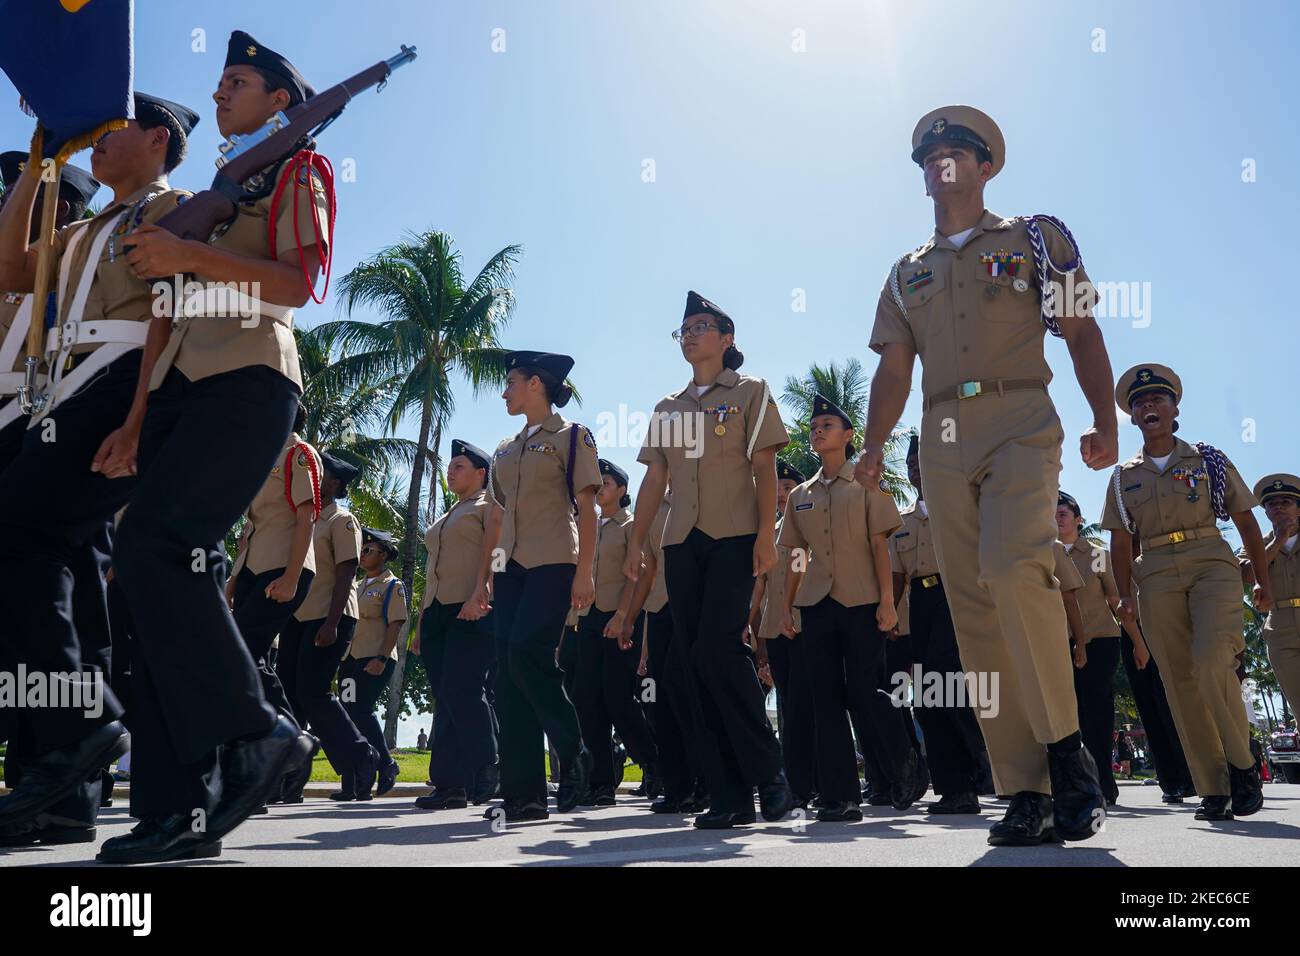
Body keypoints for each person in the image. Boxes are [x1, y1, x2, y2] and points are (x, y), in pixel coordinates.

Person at [98, 33, 331, 863]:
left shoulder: (298, 170)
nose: (221, 91)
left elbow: (298, 283)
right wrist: (132, 419)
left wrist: (189, 253)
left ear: (279, 100)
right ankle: (175, 810)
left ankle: (257, 731)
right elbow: (163, 308)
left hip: (251, 377)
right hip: (175, 391)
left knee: (160, 547)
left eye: (237, 82)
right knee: (141, 585)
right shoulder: (204, 195)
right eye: (220, 80)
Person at [862, 105, 1118, 846]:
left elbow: (1081, 330)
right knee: (972, 610)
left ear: (985, 165)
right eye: (928, 155)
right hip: (939, 433)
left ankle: (1069, 756)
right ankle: (1026, 787)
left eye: (955, 149)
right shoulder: (907, 271)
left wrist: (1105, 419)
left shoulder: (1035, 240)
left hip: (1019, 420)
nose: (940, 161)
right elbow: (894, 366)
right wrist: (875, 448)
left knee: (1014, 569)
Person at [0, 94, 198, 841]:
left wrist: (139, 416)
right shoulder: (83, 230)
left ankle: (84, 729)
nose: (97, 144)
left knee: (18, 529)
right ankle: (69, 747)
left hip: (119, 380)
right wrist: (36, 170)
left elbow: (169, 313)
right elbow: (9, 271)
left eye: (111, 132)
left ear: (158, 139)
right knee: (44, 551)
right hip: (68, 393)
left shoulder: (173, 207)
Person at [626, 291, 793, 829]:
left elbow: (765, 467)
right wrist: (635, 541)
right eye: (685, 329)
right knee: (693, 665)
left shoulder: (751, 392)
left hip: (735, 537)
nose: (691, 334)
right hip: (681, 543)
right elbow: (655, 478)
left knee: (718, 648)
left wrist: (767, 535)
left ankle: (771, 774)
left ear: (726, 340)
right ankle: (729, 795)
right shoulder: (667, 408)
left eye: (702, 326)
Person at [1103, 363, 1271, 821]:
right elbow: (1120, 540)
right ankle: (1213, 786)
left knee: (1213, 658)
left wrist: (1260, 578)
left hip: (1210, 562)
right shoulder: (1122, 477)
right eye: (1139, 403)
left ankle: (1243, 764)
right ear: (1133, 418)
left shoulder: (1208, 460)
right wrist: (1124, 597)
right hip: (1153, 572)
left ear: (1175, 409)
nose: (1148, 405)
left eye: (1158, 398)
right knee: (1180, 683)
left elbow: (1246, 521)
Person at [778, 395, 924, 821]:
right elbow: (795, 556)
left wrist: (887, 602)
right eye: (814, 425)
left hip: (862, 603)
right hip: (817, 604)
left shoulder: (866, 486)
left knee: (864, 690)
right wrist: (787, 606)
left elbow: (880, 546)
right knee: (824, 699)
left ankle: (905, 757)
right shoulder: (799, 496)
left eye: (827, 424)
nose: (818, 430)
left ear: (848, 436)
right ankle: (839, 796)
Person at [473, 350, 600, 822]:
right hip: (511, 570)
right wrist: (486, 578)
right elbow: (499, 516)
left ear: (535, 384)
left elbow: (587, 509)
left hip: (554, 562)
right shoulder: (505, 449)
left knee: (528, 653)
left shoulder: (572, 438)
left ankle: (574, 749)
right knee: (506, 676)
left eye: (511, 382)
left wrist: (586, 571)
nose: (504, 391)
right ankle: (523, 797)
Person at [891, 434, 986, 814]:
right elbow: (898, 575)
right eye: (911, 463)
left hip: (958, 593)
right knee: (929, 700)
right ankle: (955, 789)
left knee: (946, 675)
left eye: (922, 460)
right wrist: (889, 611)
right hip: (921, 602)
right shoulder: (901, 523)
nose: (916, 467)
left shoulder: (963, 506)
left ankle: (985, 755)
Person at [275, 450, 372, 804]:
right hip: (297, 616)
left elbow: (347, 571)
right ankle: (291, 776)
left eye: (322, 472)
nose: (314, 475)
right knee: (290, 695)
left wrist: (332, 623)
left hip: (331, 616)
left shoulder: (341, 520)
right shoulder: (308, 519)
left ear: (334, 483)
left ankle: (360, 757)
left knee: (314, 692)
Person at [224, 403, 321, 740]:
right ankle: (280, 743)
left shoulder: (298, 453)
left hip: (282, 569)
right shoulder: (266, 458)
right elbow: (251, 530)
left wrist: (292, 578)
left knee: (243, 651)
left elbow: (306, 516)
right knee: (252, 657)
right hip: (255, 569)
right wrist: (234, 581)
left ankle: (288, 741)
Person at [413, 439, 498, 811]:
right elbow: (431, 575)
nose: (451, 470)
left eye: (460, 466)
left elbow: (497, 554)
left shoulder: (489, 508)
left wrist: (482, 592)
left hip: (471, 608)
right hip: (437, 612)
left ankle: (489, 763)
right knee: (446, 698)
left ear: (481, 473)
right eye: (450, 466)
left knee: (463, 689)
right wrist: (420, 625)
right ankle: (450, 785)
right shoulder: (448, 515)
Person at [571, 458, 658, 805]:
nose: (600, 488)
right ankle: (601, 782)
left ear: (622, 491)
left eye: (606, 483)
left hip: (619, 619)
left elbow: (637, 576)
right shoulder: (584, 526)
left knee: (618, 699)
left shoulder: (632, 527)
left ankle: (653, 763)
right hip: (587, 619)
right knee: (587, 699)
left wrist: (624, 616)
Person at [1056, 490, 1147, 807]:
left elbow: (1116, 601)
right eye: (1052, 512)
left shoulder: (1096, 554)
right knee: (1066, 715)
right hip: (1057, 643)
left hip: (1100, 641)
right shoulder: (1042, 555)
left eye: (1063, 512)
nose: (1057, 516)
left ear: (1079, 520)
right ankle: (1072, 784)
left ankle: (1103, 786)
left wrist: (1137, 641)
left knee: (1095, 712)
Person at [624, 485, 707, 813]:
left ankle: (707, 781)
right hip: (659, 610)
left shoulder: (702, 494)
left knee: (688, 692)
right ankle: (677, 787)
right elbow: (648, 571)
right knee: (661, 702)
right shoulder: (653, 507)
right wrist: (631, 619)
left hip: (695, 607)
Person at [750, 459, 818, 809]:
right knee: (789, 707)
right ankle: (796, 781)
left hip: (804, 627)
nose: (781, 498)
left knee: (810, 705)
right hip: (775, 630)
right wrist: (760, 642)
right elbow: (761, 590)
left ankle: (816, 779)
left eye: (788, 491)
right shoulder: (770, 535)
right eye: (777, 493)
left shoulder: (810, 529)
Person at [337, 529, 406, 801]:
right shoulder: (354, 586)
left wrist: (381, 657)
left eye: (368, 550)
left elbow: (396, 623)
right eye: (361, 550)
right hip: (350, 660)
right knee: (347, 715)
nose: (362, 555)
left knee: (361, 710)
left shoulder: (392, 585)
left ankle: (386, 763)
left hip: (375, 657)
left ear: (385, 554)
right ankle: (355, 784)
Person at [1246, 474, 1300, 712]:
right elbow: (1245, 575)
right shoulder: (1257, 545)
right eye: (1271, 503)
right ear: (1266, 512)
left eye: (1285, 501)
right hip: (1281, 630)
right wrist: (1278, 541)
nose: (1278, 507)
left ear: (1298, 508)